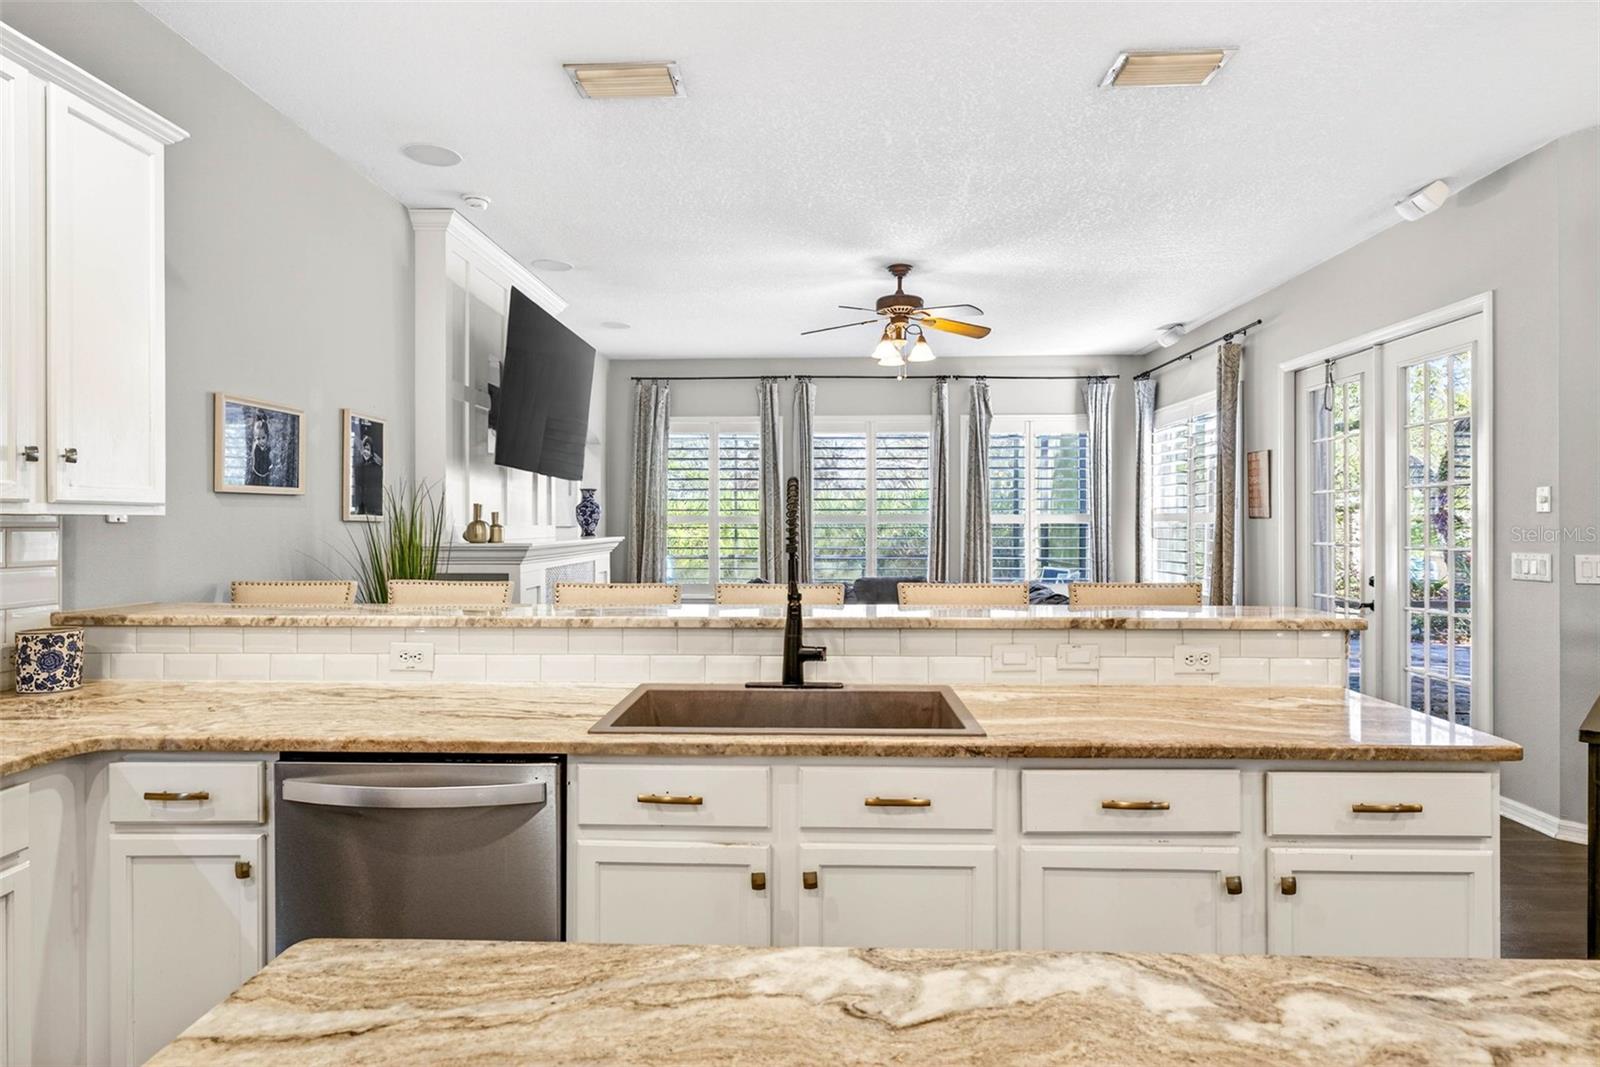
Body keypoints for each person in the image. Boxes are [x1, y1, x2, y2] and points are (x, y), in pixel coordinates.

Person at [352, 428, 383, 516]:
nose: (366, 452)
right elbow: (357, 487)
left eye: (368, 450)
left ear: (372, 452)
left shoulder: (376, 467)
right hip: (362, 506)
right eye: (364, 449)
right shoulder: (358, 466)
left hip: (374, 507)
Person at [246, 415, 272, 486]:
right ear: (255, 438)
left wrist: (270, 464)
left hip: (265, 475)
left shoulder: (268, 447)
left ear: (267, 436)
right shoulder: (256, 448)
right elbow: (258, 462)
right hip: (257, 475)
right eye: (258, 439)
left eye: (263, 438)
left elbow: (268, 459)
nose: (261, 441)